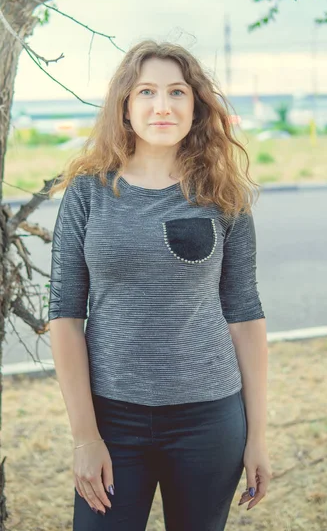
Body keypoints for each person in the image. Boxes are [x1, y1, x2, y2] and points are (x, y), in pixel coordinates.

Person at [48, 39, 272, 531]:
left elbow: (245, 316)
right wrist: (86, 437)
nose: (163, 105)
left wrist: (257, 434)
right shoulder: (88, 192)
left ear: (196, 106)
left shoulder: (223, 196)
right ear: (126, 106)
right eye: (146, 91)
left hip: (209, 420)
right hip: (112, 419)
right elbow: (64, 315)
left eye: (177, 92)